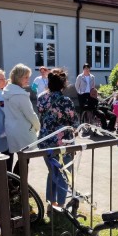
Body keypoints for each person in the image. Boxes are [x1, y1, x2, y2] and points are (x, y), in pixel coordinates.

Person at [37, 68, 79, 208]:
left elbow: (42, 117)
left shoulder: (41, 98)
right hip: (62, 143)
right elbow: (74, 122)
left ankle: (51, 202)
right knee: (63, 173)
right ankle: (60, 204)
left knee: (52, 171)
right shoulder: (66, 101)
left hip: (46, 141)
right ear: (63, 85)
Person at [3, 64, 40, 172]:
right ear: (19, 77)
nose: (28, 80)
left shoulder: (7, 91)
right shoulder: (20, 94)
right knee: (24, 160)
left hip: (11, 128)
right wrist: (38, 126)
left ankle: (14, 184)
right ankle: (19, 185)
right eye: (26, 77)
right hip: (23, 131)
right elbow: (31, 114)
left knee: (20, 159)